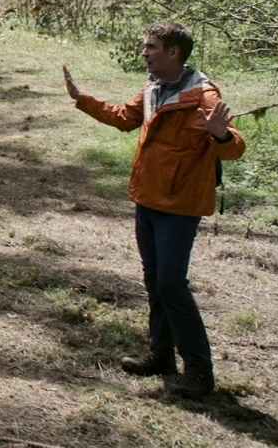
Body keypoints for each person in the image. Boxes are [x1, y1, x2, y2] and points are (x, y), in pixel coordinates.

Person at [63, 21, 246, 398]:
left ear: (173, 52)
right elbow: (124, 118)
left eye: (151, 47)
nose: (144, 52)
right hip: (147, 197)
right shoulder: (153, 88)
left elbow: (235, 147)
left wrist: (220, 133)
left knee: (171, 284)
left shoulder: (203, 95)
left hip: (180, 205)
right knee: (154, 280)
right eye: (146, 46)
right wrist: (82, 99)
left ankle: (199, 372)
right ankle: (161, 356)